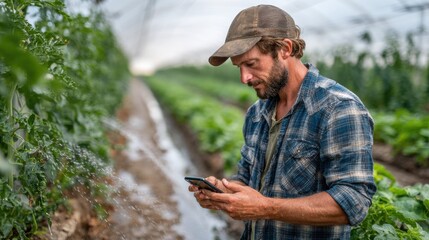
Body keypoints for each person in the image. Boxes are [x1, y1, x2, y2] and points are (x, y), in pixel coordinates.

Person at [188, 4, 376, 240]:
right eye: (239, 67)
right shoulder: (257, 113)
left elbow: (354, 201)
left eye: (252, 64)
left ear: (285, 49)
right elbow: (246, 180)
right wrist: (224, 192)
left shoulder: (338, 108)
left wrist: (266, 207)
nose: (244, 78)